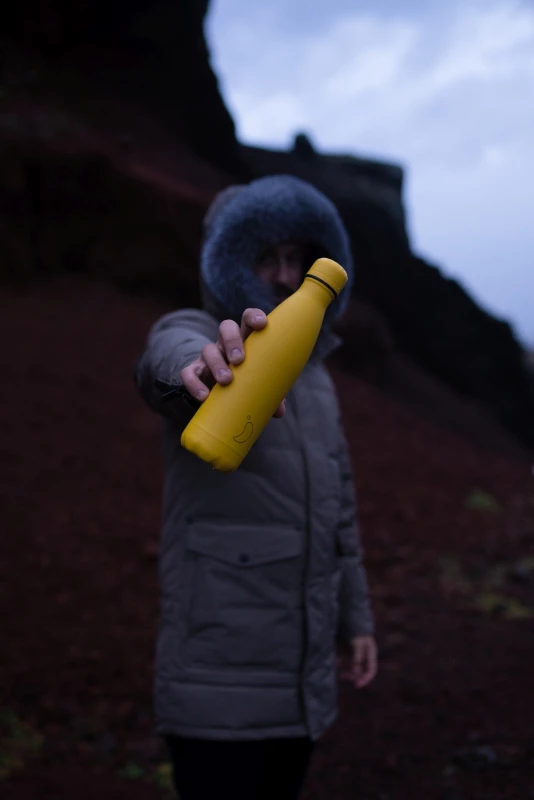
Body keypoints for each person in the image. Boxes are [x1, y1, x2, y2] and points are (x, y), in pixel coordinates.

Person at [134, 175, 378, 800]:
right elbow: (167, 358)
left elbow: (339, 514)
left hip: (301, 685)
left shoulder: (316, 375)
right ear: (230, 262)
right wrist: (196, 370)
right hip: (217, 685)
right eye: (265, 257)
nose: (283, 274)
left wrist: (356, 621)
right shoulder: (199, 330)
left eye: (296, 259)